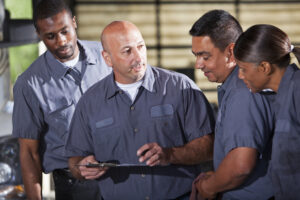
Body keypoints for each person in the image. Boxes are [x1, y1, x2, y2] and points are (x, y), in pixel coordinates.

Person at [64, 20, 215, 200]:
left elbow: (209, 147)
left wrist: (170, 154)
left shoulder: (181, 88)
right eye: (127, 51)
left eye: (141, 46)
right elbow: (74, 162)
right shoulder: (89, 102)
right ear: (107, 58)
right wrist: (82, 168)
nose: (138, 57)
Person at [12, 0, 111, 199]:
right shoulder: (29, 85)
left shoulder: (106, 56)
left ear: (74, 22)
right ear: (39, 35)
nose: (61, 41)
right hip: (75, 187)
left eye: (65, 31)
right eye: (50, 36)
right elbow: (29, 154)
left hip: (123, 177)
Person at [189, 10, 275, 200]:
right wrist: (219, 176)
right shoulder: (234, 88)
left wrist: (209, 186)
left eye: (205, 56)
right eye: (196, 55)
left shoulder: (243, 92)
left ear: (230, 52)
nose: (198, 64)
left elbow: (240, 166)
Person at [234, 24, 300, 200]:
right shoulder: (281, 97)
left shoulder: (297, 92)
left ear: (264, 67)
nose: (240, 76)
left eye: (243, 69)